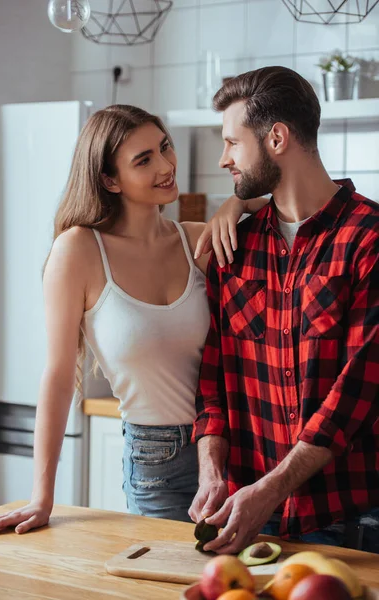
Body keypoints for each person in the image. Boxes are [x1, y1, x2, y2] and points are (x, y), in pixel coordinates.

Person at [0, 104, 267, 536]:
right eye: (144, 159)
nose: (167, 165)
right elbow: (58, 377)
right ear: (109, 179)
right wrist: (42, 497)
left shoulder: (196, 240)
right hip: (158, 462)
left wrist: (237, 202)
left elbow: (290, 201)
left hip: (238, 451)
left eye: (164, 147)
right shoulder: (77, 251)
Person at [189, 66, 379, 554]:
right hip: (251, 517)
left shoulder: (369, 239)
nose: (223, 157)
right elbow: (214, 382)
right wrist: (211, 468)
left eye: (233, 142)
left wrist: (271, 490)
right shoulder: (236, 246)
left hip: (350, 517)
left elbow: (355, 394)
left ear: (276, 137)